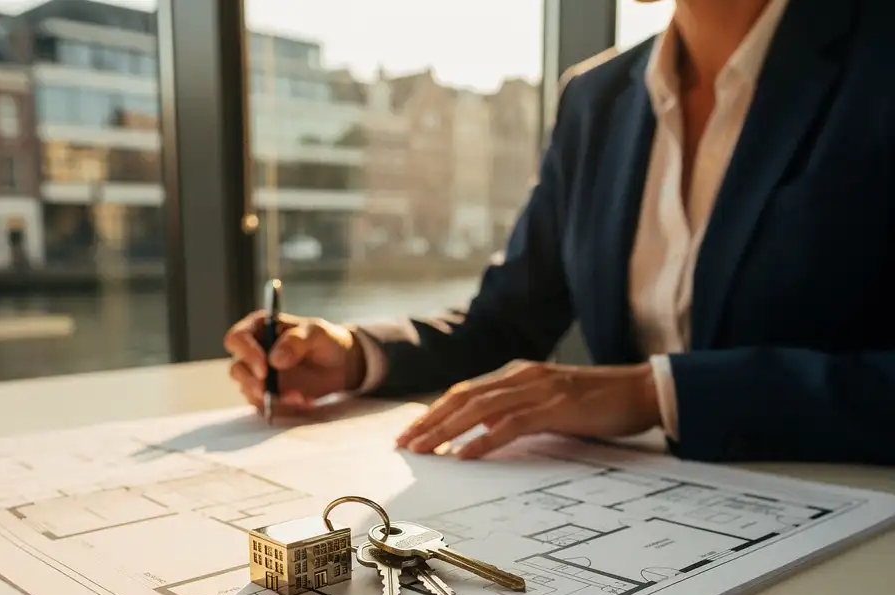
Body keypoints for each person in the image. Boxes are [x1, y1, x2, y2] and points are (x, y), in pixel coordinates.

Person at [226, 0, 895, 466]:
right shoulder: (596, 98)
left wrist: (654, 393)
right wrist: (354, 352)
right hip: (653, 520)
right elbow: (503, 325)